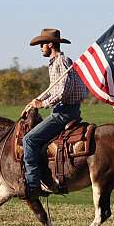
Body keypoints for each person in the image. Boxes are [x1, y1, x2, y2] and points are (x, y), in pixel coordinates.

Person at [23, 28, 87, 199]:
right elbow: (54, 89)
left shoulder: (61, 62)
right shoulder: (57, 62)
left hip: (63, 113)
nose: (40, 48)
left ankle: (32, 185)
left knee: (28, 139)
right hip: (67, 110)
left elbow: (62, 91)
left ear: (50, 44)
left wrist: (43, 103)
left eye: (42, 44)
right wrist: (34, 101)